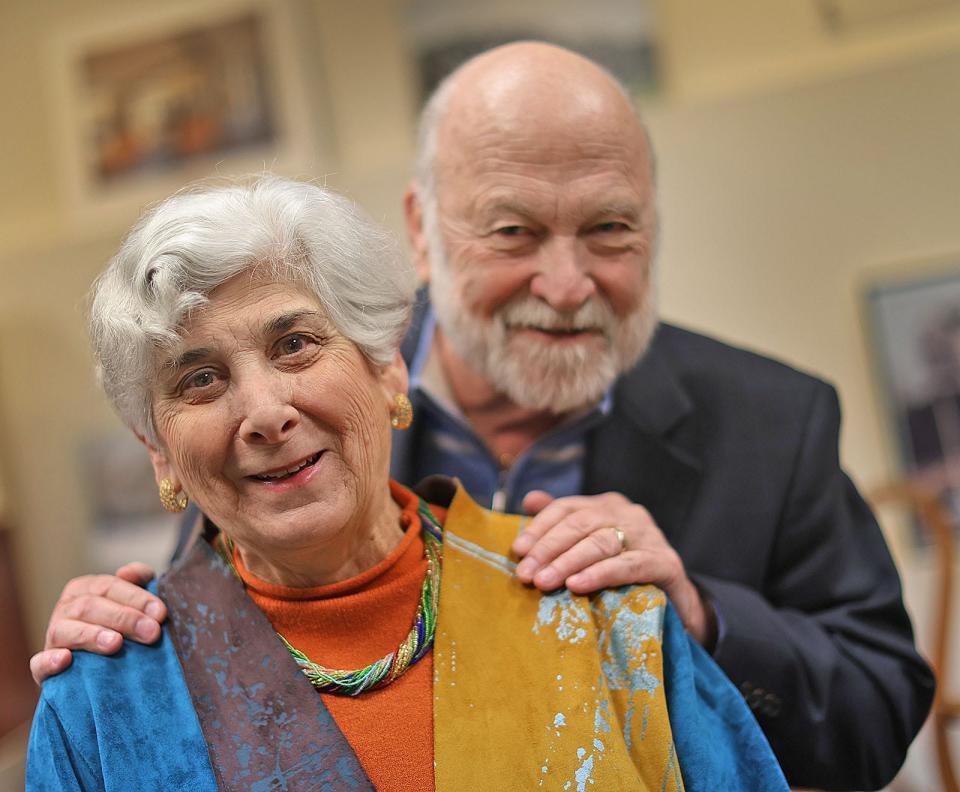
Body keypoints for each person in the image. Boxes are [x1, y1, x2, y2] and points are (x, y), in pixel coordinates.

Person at [32, 43, 933, 790]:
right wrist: (109, 629)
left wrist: (695, 616)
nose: (569, 284)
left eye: (612, 229)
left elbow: (880, 708)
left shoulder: (774, 420)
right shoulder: (308, 416)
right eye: (514, 232)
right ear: (423, 230)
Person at [26, 176, 788, 791]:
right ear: (158, 450)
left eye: (294, 344)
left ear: (387, 366)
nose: (263, 413)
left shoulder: (594, 600)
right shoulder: (104, 699)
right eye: (199, 378)